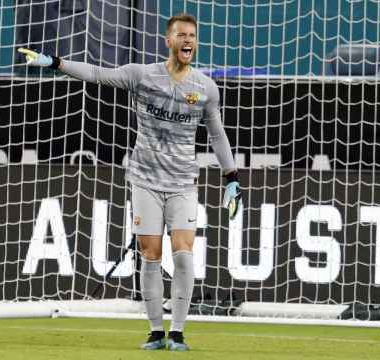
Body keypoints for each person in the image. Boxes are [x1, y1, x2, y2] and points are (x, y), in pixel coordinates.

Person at [18, 12, 241, 352]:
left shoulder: (205, 88)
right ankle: (155, 331)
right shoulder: (142, 75)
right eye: (181, 35)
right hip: (145, 181)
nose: (188, 41)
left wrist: (232, 178)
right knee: (150, 254)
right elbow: (96, 73)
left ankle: (178, 332)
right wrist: (55, 62)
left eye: (192, 36)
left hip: (183, 183)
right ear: (168, 41)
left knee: (183, 255)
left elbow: (218, 135)